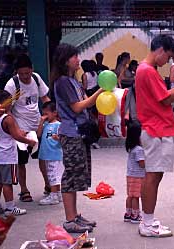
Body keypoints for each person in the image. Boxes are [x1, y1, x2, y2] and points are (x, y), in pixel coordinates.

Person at [136, 34, 174, 237]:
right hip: (155, 129)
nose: (168, 62)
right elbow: (165, 100)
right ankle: (147, 222)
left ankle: (148, 219)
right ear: (161, 50)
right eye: (168, 56)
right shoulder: (148, 71)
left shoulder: (146, 70)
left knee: (155, 175)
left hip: (156, 128)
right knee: (153, 176)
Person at [51, 43, 104, 233]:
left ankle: (74, 216)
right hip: (71, 133)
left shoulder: (71, 80)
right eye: (74, 56)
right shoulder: (63, 82)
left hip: (78, 133)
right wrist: (99, 91)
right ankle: (69, 220)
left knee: (76, 175)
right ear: (65, 60)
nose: (78, 59)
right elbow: (77, 107)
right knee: (71, 175)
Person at [4, 54, 51, 203]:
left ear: (32, 70)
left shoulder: (36, 79)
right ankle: (24, 190)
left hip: (37, 126)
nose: (25, 76)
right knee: (21, 161)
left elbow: (45, 99)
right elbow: (7, 110)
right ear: (16, 72)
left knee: (43, 158)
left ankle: (48, 185)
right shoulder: (12, 85)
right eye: (21, 73)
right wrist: (15, 130)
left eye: (27, 73)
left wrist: (51, 114)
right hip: (21, 129)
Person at [0, 90, 37, 217]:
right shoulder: (8, 118)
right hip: (7, 157)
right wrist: (29, 141)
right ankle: (10, 208)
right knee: (7, 183)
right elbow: (16, 136)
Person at [37, 101, 64, 205]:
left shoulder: (59, 125)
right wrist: (41, 122)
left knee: (53, 175)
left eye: (46, 114)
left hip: (55, 154)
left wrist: (58, 138)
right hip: (47, 154)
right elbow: (38, 134)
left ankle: (53, 196)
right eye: (43, 114)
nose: (45, 116)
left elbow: (63, 138)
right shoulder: (46, 124)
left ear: (54, 113)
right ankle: (57, 193)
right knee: (53, 174)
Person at [123, 121, 145, 224]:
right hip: (138, 176)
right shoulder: (139, 150)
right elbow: (141, 163)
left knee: (130, 195)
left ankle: (128, 213)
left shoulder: (131, 148)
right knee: (136, 196)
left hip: (130, 175)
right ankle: (135, 215)